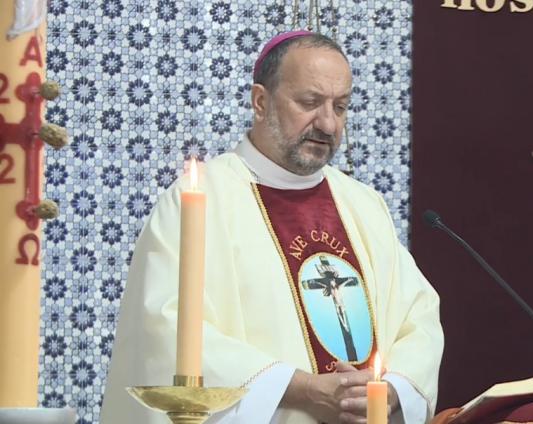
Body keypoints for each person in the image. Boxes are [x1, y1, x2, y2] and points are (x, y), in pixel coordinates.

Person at [100, 31, 444, 424]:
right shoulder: (199, 201)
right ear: (260, 102)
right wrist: (304, 388)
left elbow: (418, 319)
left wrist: (390, 390)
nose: (328, 123)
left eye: (341, 106)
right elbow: (164, 329)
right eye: (310, 103)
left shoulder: (362, 204)